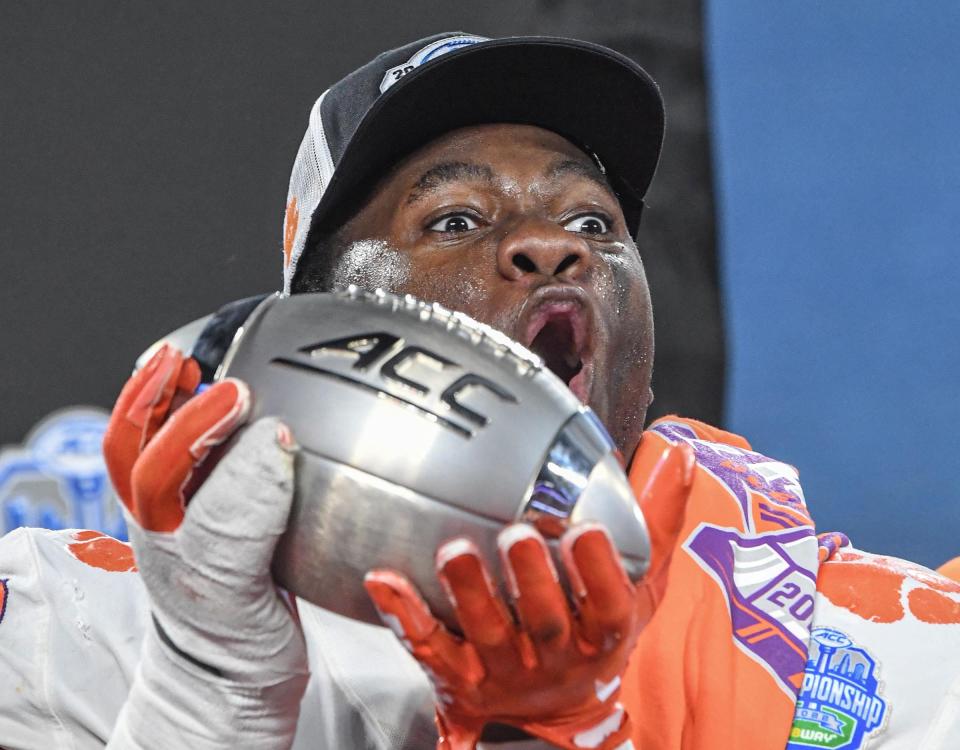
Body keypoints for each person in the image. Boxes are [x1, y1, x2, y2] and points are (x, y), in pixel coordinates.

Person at [1, 32, 959, 750]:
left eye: (595, 220)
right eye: (454, 218)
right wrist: (210, 682)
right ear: (313, 328)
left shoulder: (884, 649)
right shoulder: (73, 621)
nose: (556, 246)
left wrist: (552, 729)